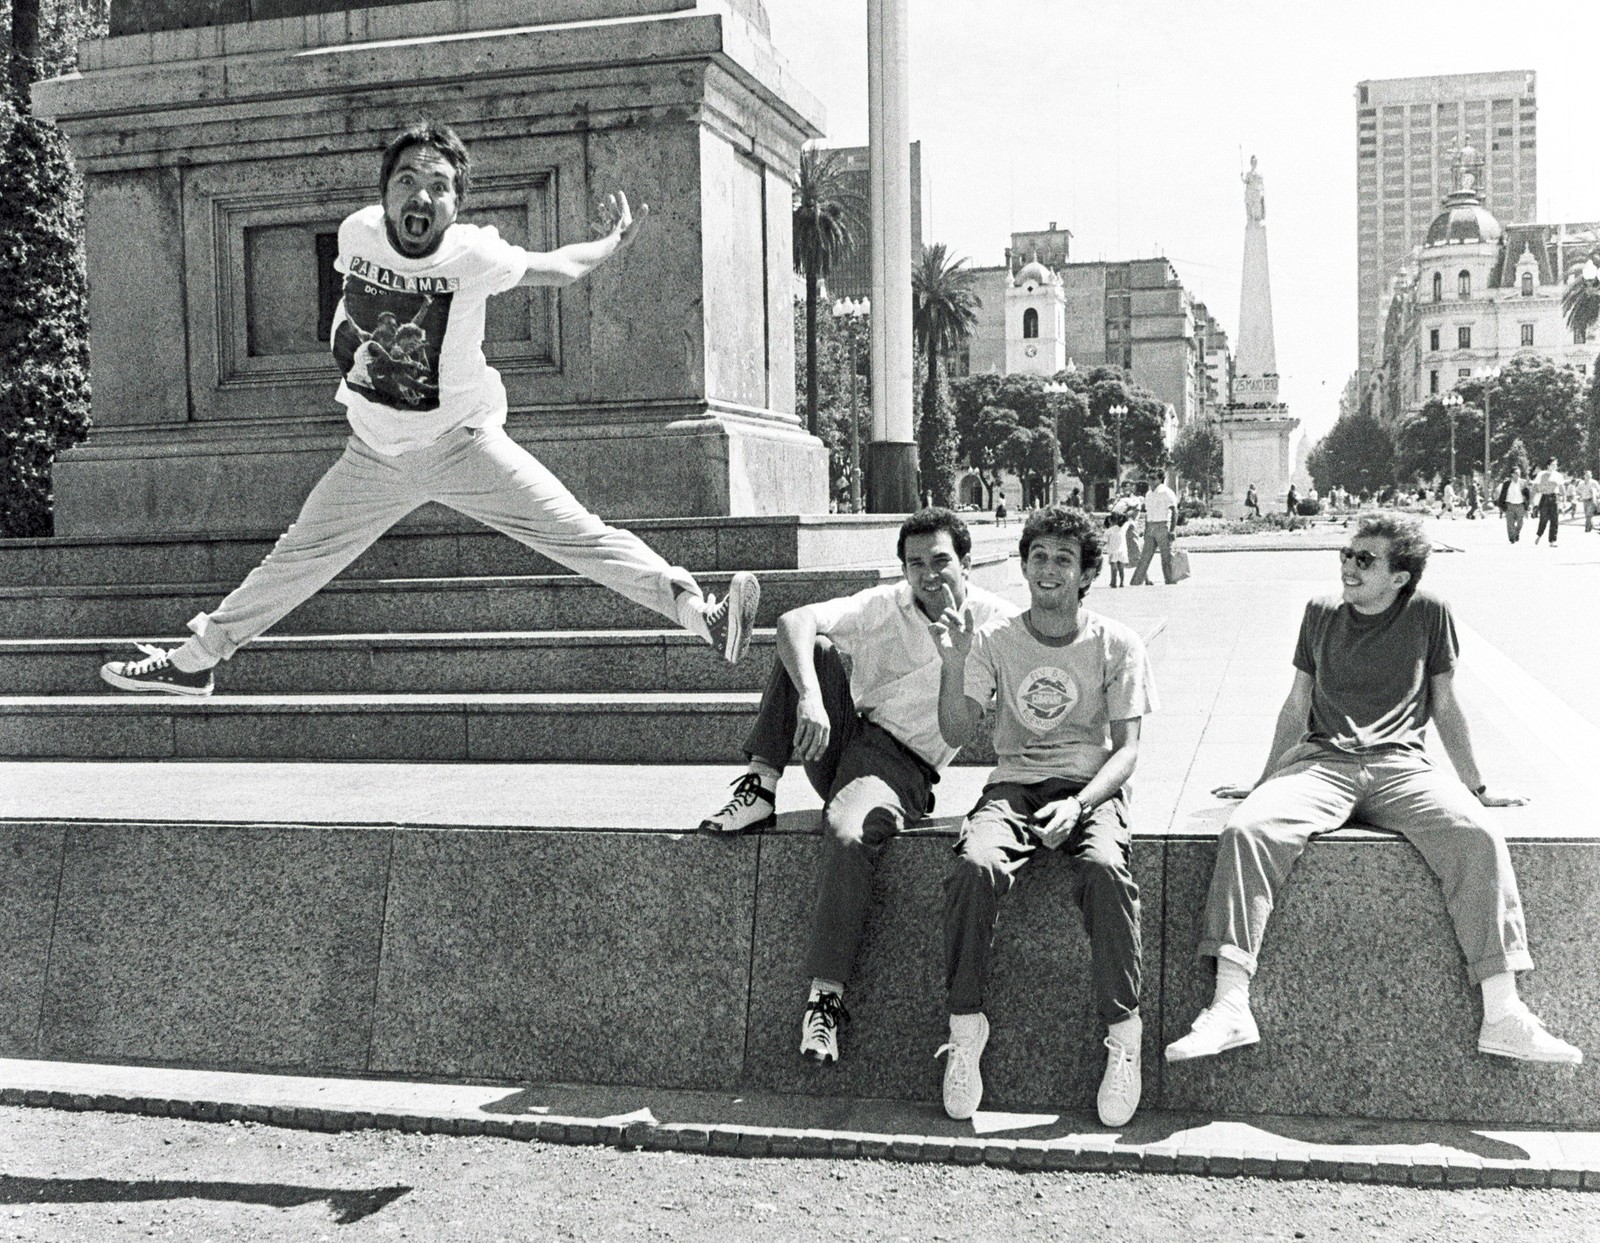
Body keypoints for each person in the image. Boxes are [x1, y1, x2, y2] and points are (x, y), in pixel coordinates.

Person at [99, 121, 757, 697]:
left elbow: (559, 267)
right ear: (384, 193)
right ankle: (194, 662)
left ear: (455, 205)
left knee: (579, 534)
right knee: (294, 559)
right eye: (407, 180)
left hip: (464, 445)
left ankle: (702, 611)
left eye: (438, 186)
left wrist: (611, 241)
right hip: (372, 457)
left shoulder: (476, 254)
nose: (421, 196)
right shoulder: (357, 232)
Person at [1165, 512, 1581, 1068]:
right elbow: (1296, 704)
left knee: (1478, 835)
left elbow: (1446, 703)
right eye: (1345, 554)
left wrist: (1476, 787)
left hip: (1401, 764)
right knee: (1247, 831)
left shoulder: (1430, 614)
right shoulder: (1319, 613)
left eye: (1365, 559)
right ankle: (1229, 1003)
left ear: (1400, 577)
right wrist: (1262, 783)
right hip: (1322, 761)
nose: (1348, 566)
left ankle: (1503, 1013)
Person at [697, 508, 1015, 1066]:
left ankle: (826, 1000)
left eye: (941, 560)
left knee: (847, 836)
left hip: (902, 765)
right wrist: (813, 699)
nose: (928, 574)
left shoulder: (996, 622)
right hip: (841, 738)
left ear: (966, 562)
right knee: (811, 648)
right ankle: (760, 785)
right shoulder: (884, 604)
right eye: (915, 563)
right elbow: (794, 619)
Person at [931, 506, 1156, 1128]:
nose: (1050, 570)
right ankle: (965, 1027)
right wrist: (952, 664)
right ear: (1023, 566)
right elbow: (957, 732)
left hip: (1091, 787)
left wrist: (1080, 804)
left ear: (1088, 573)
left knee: (1107, 871)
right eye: (1039, 558)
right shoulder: (994, 639)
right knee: (974, 867)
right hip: (1013, 787)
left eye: (1065, 559)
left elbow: (1128, 749)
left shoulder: (1117, 643)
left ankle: (1123, 1036)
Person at [1130, 473, 1179, 586]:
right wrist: (1146, 529)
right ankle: (1136, 582)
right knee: (1144, 557)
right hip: (1151, 526)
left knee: (1166, 556)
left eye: (1153, 478)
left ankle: (1170, 581)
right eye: (1149, 477)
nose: (1150, 480)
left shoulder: (1167, 492)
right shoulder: (1148, 494)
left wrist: (1172, 529)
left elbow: (1174, 511)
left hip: (1163, 525)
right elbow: (1148, 513)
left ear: (1160, 479)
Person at [1532, 457, 1565, 546]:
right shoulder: (1541, 474)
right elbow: (1535, 487)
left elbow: (1562, 488)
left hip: (1554, 497)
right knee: (1544, 518)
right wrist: (1533, 501)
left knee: (1555, 519)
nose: (1555, 466)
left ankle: (1552, 540)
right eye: (1553, 464)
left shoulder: (1558, 475)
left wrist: (1563, 501)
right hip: (1544, 497)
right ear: (1548, 465)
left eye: (1556, 465)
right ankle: (1539, 535)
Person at [1496, 466, 1531, 544]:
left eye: (1519, 473)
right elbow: (1502, 495)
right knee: (1510, 523)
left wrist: (1528, 506)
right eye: (1516, 473)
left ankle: (1516, 533)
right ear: (1512, 474)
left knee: (1520, 522)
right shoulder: (1507, 483)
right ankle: (1512, 537)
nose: (1518, 474)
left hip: (1520, 505)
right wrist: (1501, 506)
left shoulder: (1523, 482)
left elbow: (1527, 495)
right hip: (1510, 505)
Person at [1105, 510, 1130, 588]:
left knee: (1113, 569)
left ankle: (1113, 582)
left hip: (1113, 551)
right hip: (1122, 551)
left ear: (1110, 520)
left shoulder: (1108, 531)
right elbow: (1128, 521)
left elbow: (1105, 541)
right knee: (1121, 569)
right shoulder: (1123, 529)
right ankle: (1122, 582)